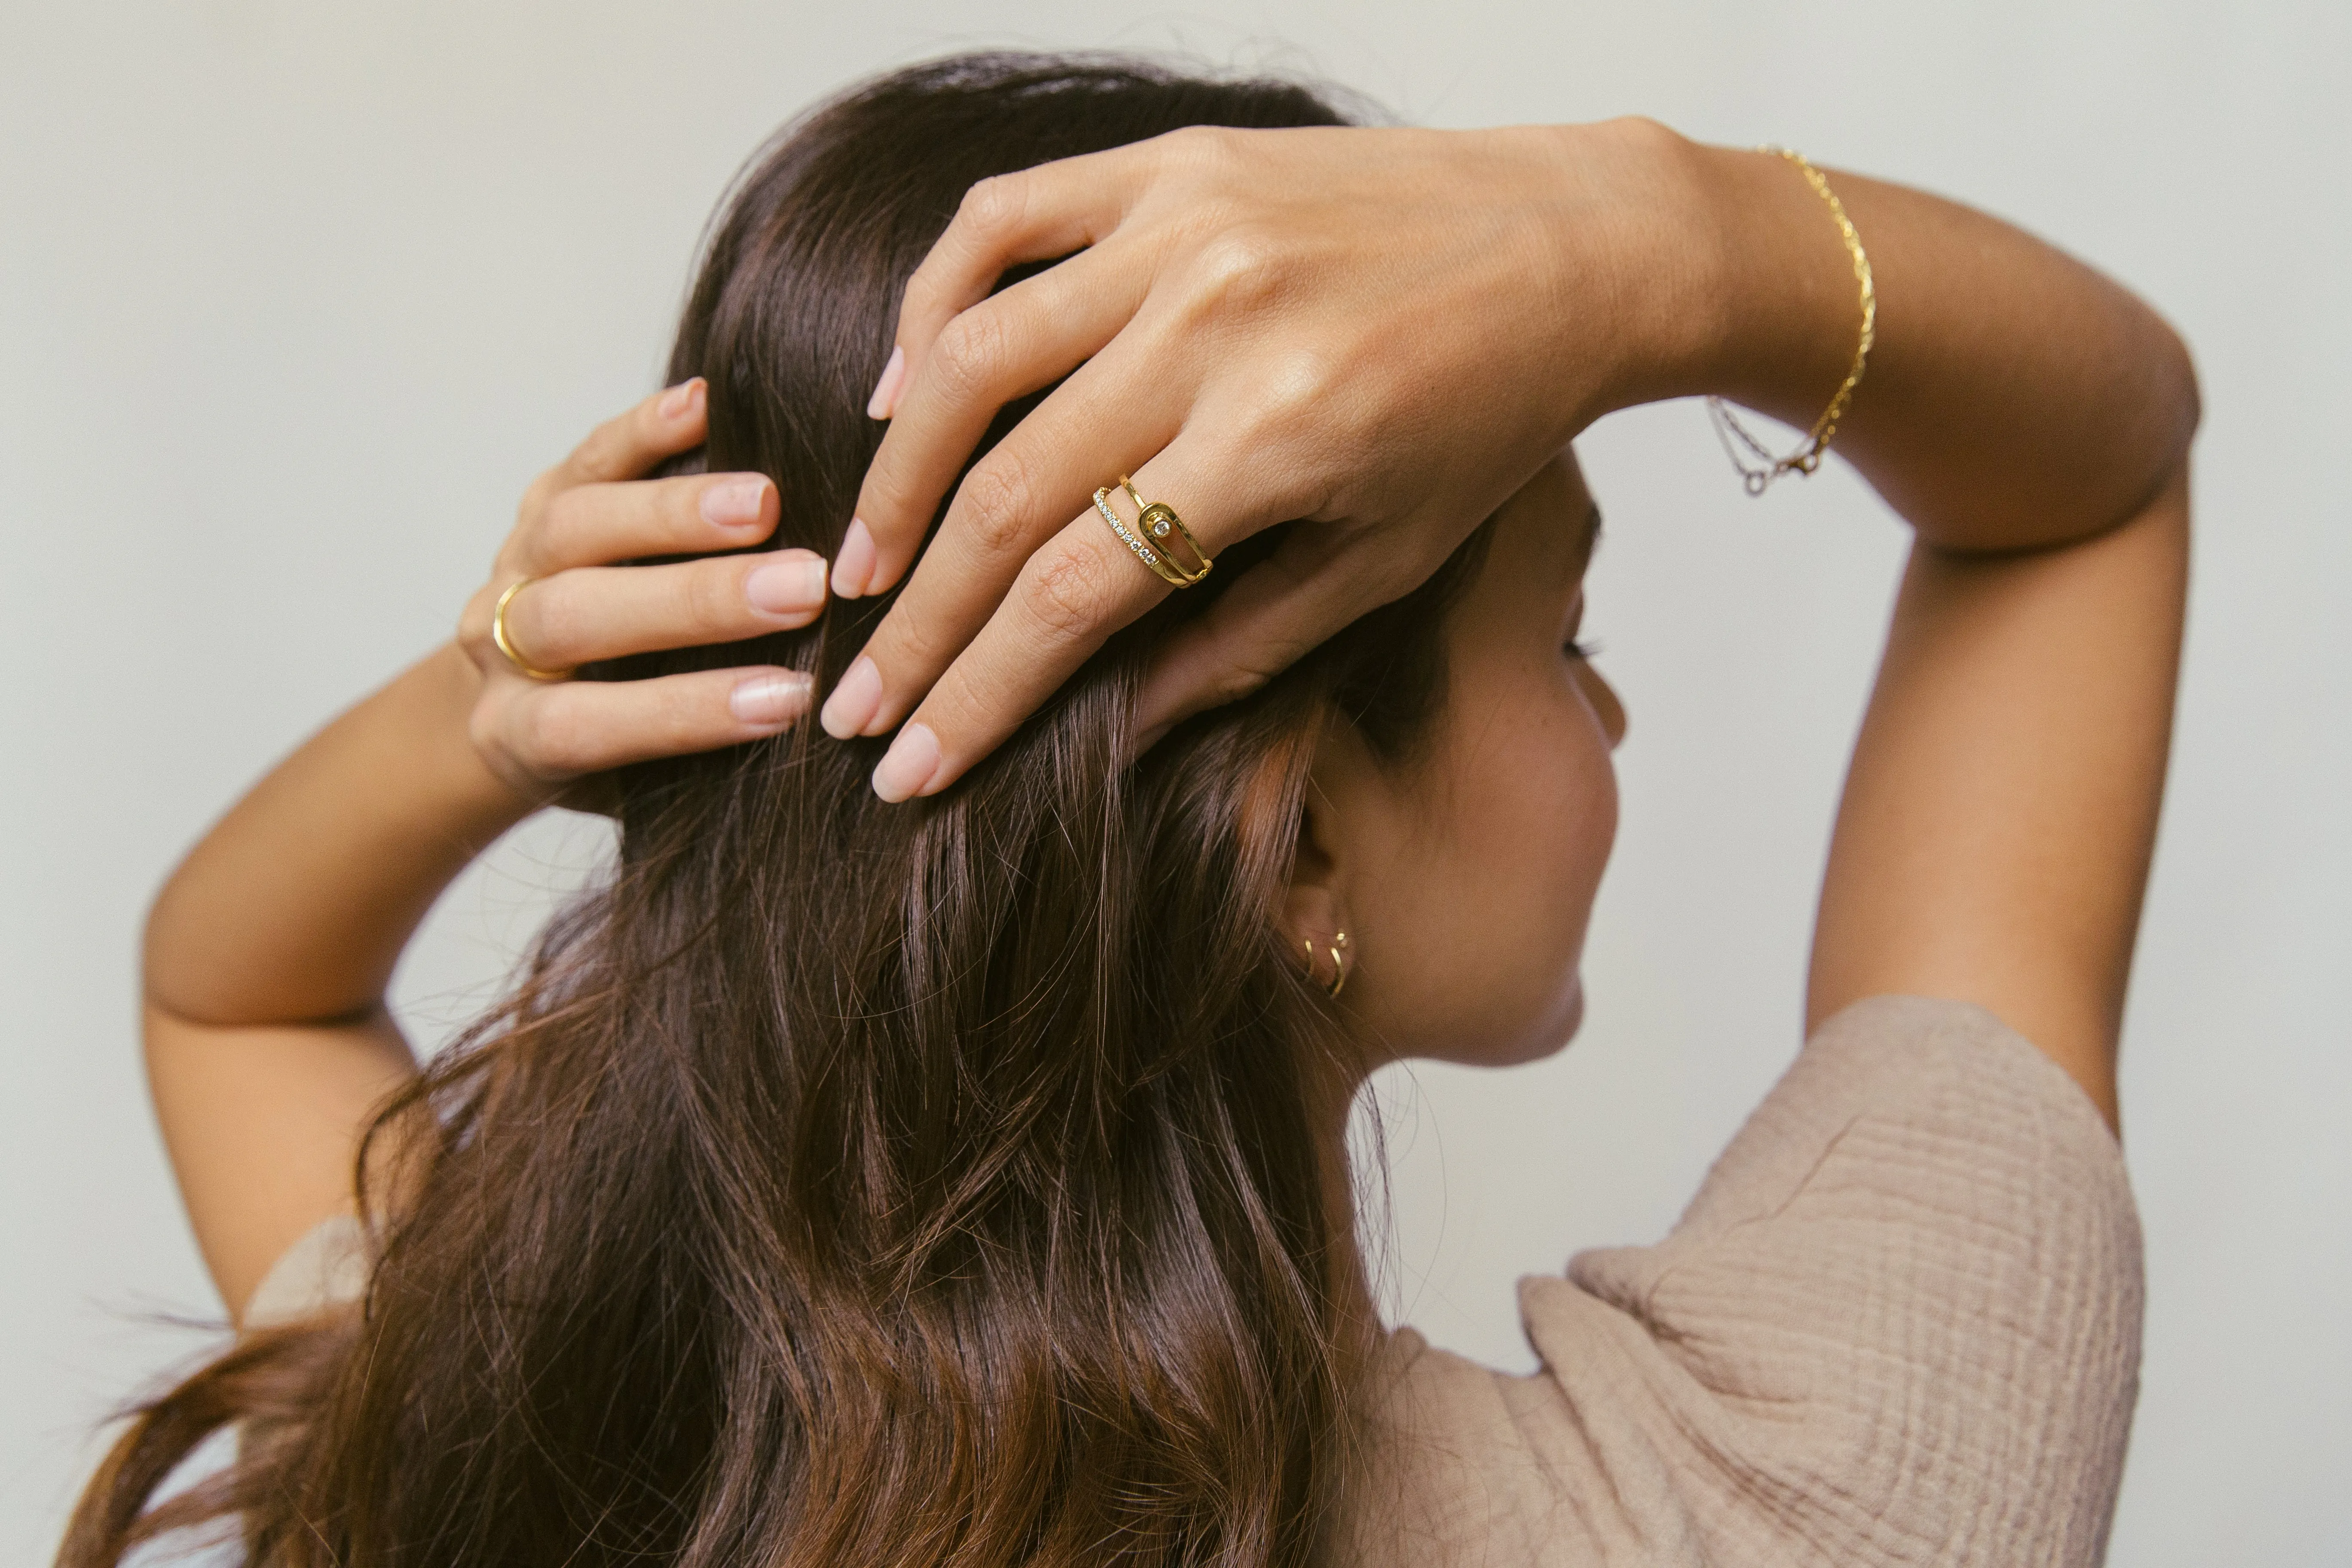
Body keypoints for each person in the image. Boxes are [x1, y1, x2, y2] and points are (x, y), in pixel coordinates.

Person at [64, 47, 2195, 1568]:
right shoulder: (1780, 1500)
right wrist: (1666, 232)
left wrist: (496, 694)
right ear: (1299, 850)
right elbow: (2093, 486)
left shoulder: (485, 1430)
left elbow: (230, 993)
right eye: (1571, 637)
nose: (1611, 716)